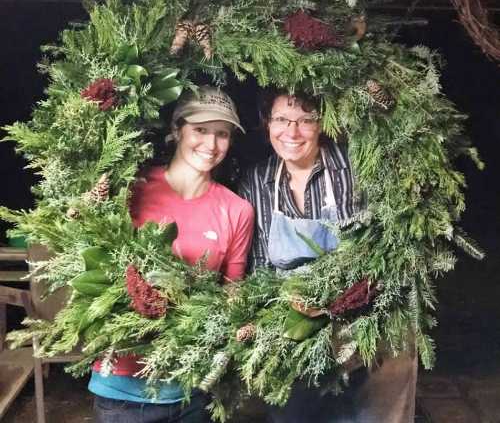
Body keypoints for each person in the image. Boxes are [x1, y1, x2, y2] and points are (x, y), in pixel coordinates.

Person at [239, 88, 417, 423]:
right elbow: (260, 266)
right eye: (281, 119)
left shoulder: (357, 168)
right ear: (267, 124)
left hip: (368, 328)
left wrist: (356, 296)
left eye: (306, 120)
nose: (292, 132)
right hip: (295, 332)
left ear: (323, 124)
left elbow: (392, 243)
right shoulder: (257, 181)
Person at [89, 86, 255, 423]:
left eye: (222, 134)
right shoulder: (130, 189)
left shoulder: (237, 210)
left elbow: (232, 290)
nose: (210, 144)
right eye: (200, 130)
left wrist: (239, 325)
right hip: (123, 389)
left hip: (194, 387)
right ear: (177, 130)